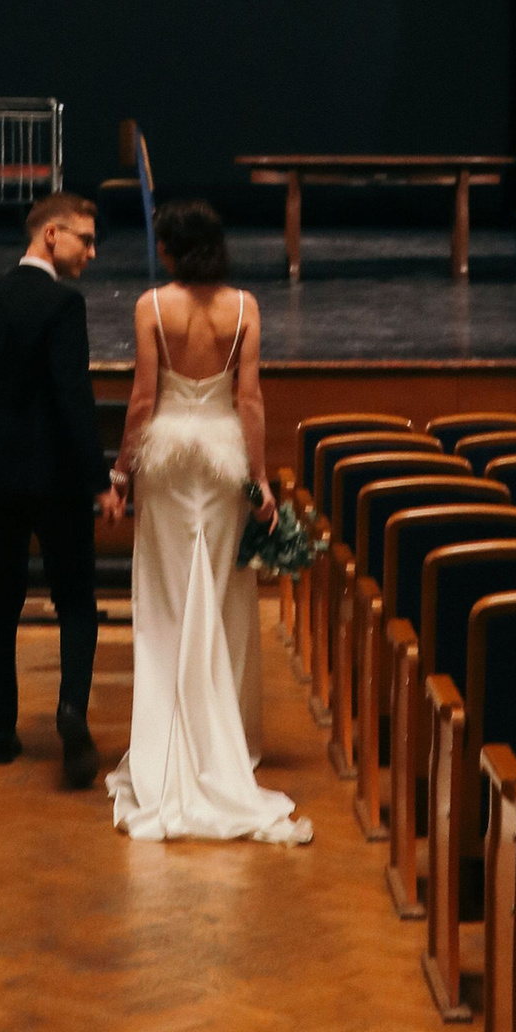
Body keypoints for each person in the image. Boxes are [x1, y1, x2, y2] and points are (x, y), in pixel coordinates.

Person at [103, 198, 312, 847]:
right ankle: (225, 743)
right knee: (221, 600)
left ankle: (166, 746)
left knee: (165, 604)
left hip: (167, 466)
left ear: (171, 250)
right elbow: (248, 399)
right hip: (222, 463)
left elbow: (143, 398)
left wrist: (120, 475)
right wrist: (260, 483)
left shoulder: (151, 308)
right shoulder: (245, 307)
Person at [0, 188, 108, 785]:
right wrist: (99, 481)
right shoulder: (64, 305)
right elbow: (73, 400)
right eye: (84, 239)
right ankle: (70, 708)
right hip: (57, 479)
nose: (91, 252)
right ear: (51, 235)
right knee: (76, 601)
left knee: (1, 599)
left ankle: (0, 733)